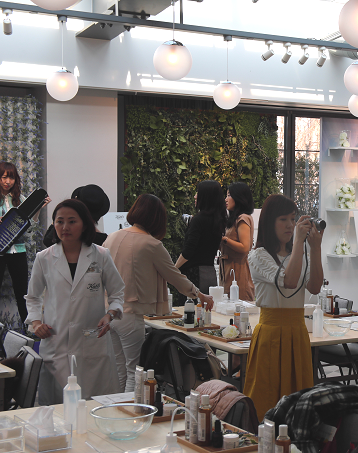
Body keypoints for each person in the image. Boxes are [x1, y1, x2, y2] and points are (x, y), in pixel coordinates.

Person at [104, 194, 214, 392]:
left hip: (110, 312)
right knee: (135, 371)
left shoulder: (111, 237)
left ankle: (118, 406)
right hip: (131, 313)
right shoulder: (151, 244)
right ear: (157, 219)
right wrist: (200, 295)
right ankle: (130, 409)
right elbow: (175, 276)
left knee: (119, 369)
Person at [25, 199, 124, 404]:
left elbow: (117, 292)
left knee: (93, 406)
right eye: (59, 221)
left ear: (84, 225)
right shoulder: (44, 258)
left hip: (92, 342)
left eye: (72, 221)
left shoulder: (101, 255)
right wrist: (36, 323)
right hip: (56, 341)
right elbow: (33, 296)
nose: (65, 227)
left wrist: (110, 315)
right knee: (57, 409)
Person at [245, 194, 323, 419]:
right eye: (283, 219)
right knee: (266, 397)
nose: (290, 225)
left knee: (298, 398)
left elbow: (315, 287)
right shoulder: (258, 255)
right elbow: (288, 281)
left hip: (297, 332)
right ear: (269, 222)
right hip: (271, 333)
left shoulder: (298, 254)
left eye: (293, 218)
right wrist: (299, 243)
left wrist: (315, 248)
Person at [0, 161, 51, 324]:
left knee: (22, 293)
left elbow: (28, 230)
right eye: (4, 177)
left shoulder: (20, 199)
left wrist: (38, 208)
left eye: (11, 178)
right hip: (0, 250)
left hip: (18, 251)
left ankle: (29, 329)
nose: (7, 182)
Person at [176, 180, 228, 299]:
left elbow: (188, 251)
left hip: (193, 275)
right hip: (209, 273)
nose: (195, 196)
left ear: (206, 196)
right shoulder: (218, 220)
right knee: (208, 307)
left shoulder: (198, 220)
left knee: (191, 308)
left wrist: (174, 268)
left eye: (198, 193)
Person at [219, 182, 255, 301]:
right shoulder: (232, 219)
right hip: (227, 269)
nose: (226, 199)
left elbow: (244, 247)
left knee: (238, 305)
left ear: (239, 198)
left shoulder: (243, 218)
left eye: (229, 195)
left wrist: (224, 239)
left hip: (237, 270)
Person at [44, 185, 110, 247]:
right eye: (60, 221)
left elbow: (48, 240)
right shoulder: (104, 242)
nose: (65, 228)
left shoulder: (63, 236)